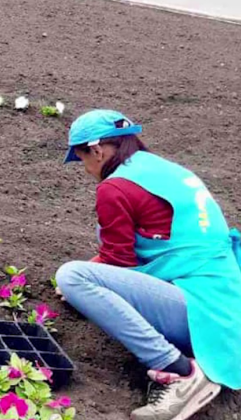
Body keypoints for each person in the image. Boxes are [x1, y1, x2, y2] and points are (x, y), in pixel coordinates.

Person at [56, 109, 241, 420]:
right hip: (226, 304)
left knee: (72, 277)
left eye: (82, 159)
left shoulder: (114, 188)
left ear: (97, 150)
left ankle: (179, 371)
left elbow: (118, 260)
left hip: (203, 312)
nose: (87, 170)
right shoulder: (161, 170)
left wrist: (83, 282)